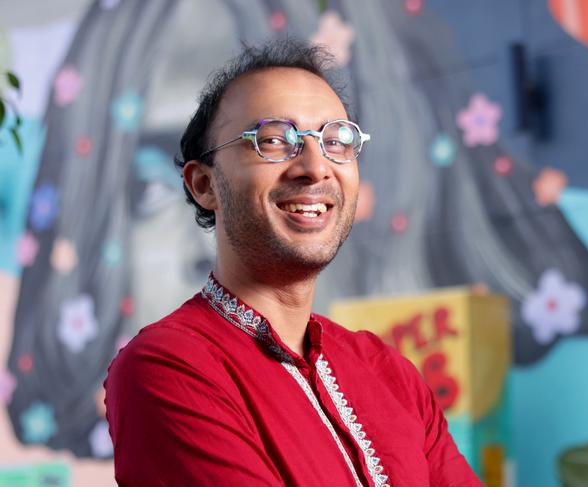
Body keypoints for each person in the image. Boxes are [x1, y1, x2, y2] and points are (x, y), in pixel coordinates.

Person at [104, 39, 482, 487]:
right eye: (274, 140)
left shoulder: (390, 373)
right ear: (204, 184)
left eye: (337, 140)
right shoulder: (168, 368)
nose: (316, 167)